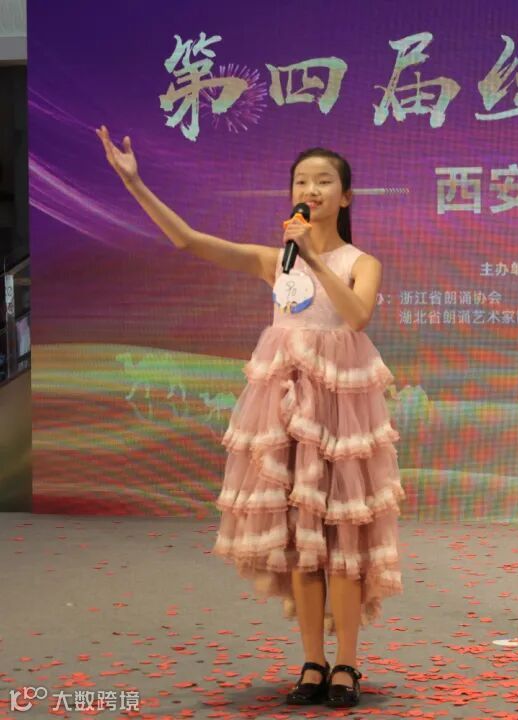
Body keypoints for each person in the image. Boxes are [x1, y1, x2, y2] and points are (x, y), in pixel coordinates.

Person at [96, 127, 403, 709]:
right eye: (301, 182)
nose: (310, 190)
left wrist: (314, 258)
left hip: (341, 410)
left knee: (340, 533)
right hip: (284, 408)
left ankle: (347, 663)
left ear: (346, 196)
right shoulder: (273, 261)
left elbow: (357, 316)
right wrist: (134, 183)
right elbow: (188, 240)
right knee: (299, 536)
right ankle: (312, 661)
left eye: (323, 182)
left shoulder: (361, 262)